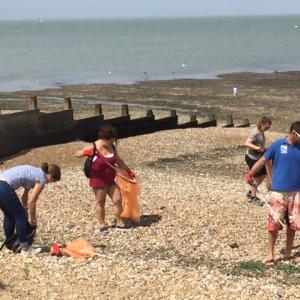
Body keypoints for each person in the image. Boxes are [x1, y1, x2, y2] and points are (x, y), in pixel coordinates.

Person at [245, 121, 300, 265]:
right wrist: (250, 174)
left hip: (296, 191)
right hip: (278, 191)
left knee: (293, 224)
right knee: (273, 224)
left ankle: (288, 253)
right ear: (293, 133)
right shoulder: (277, 145)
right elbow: (263, 160)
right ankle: (270, 254)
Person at [75, 125, 135, 232]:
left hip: (110, 180)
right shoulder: (93, 146)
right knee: (100, 202)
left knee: (117, 200)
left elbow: (118, 160)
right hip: (98, 181)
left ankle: (120, 223)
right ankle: (102, 225)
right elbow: (77, 154)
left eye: (113, 140)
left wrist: (128, 170)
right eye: (110, 141)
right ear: (103, 139)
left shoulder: (112, 147)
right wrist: (85, 153)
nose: (112, 143)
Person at [0, 163, 61, 254]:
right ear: (51, 176)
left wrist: (25, 210)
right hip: (4, 186)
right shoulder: (42, 178)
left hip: (1, 182)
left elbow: (24, 196)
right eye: (53, 180)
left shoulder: (34, 172)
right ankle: (25, 249)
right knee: (20, 217)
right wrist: (33, 220)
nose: (49, 183)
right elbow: (32, 202)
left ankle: (11, 244)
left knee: (9, 215)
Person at [244, 116, 272, 205]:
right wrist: (257, 148)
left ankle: (251, 191)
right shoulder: (255, 132)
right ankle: (252, 197)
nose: (267, 128)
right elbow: (246, 143)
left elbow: (259, 143)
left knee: (263, 175)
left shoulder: (261, 131)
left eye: (269, 127)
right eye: (267, 127)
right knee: (256, 177)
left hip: (258, 158)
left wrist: (265, 148)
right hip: (251, 158)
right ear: (262, 124)